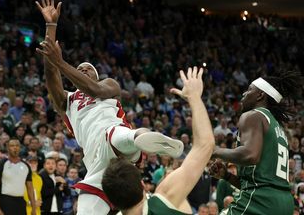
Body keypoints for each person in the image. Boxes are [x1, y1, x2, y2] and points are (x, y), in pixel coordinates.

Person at [35, 0, 184, 215]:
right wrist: (51, 25)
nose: (84, 70)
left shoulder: (109, 85)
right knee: (86, 207)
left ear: (96, 75)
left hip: (111, 134)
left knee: (124, 136)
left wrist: (63, 63)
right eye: (80, 68)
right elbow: (51, 73)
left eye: (88, 69)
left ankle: (150, 140)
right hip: (95, 158)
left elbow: (93, 89)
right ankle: (145, 141)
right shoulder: (68, 100)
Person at [101, 67, 215, 214]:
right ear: (142, 184)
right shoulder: (165, 197)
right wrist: (194, 98)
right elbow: (205, 145)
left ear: (112, 203)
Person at [209, 72, 301, 215]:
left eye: (249, 89)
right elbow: (261, 181)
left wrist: (214, 150)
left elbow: (250, 155)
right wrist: (227, 176)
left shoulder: (254, 115)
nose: (244, 93)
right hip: (284, 203)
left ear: (260, 95)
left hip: (260, 201)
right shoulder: (279, 129)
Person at [0, 138, 36, 215]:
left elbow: (30, 188)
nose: (15, 147)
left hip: (21, 201)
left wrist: (33, 208)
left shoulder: (26, 166)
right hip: (5, 201)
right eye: (12, 146)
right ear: (8, 148)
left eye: (17, 145)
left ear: (20, 148)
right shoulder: (0, 165)